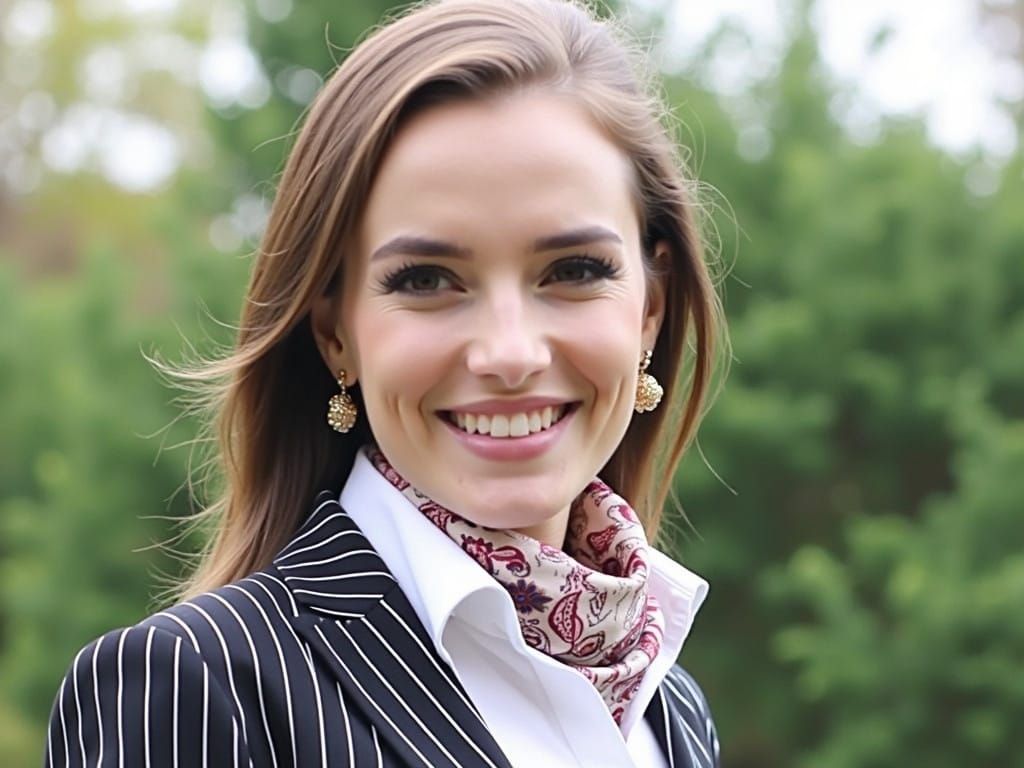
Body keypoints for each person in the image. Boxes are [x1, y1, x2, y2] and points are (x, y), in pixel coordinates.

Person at [44, 0, 727, 765]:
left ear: (650, 311)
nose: (508, 353)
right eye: (429, 279)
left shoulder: (673, 713)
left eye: (572, 271)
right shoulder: (199, 688)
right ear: (336, 331)